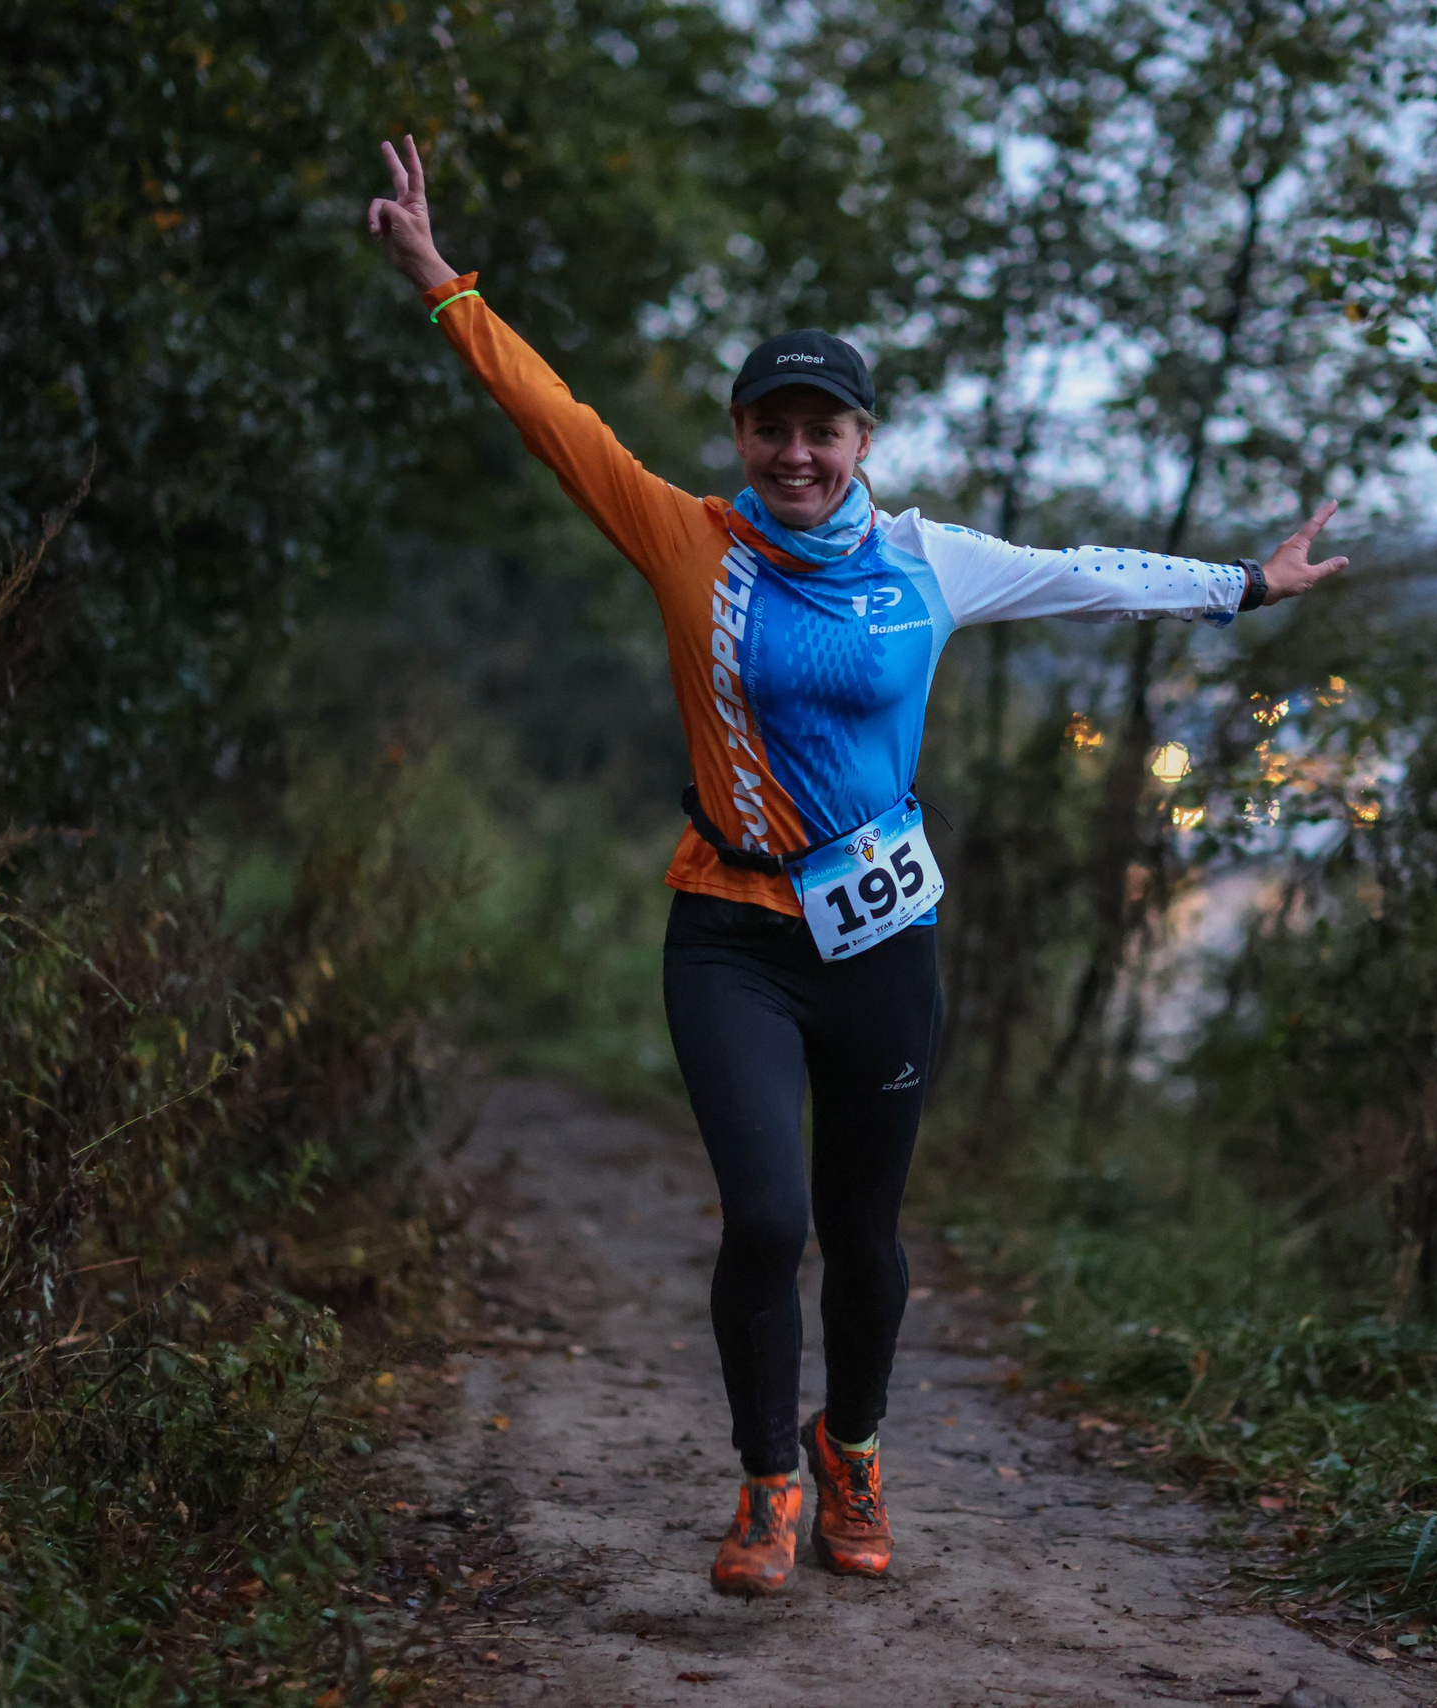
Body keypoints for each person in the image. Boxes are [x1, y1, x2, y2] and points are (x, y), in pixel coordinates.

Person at [366, 135, 1348, 1598]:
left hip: (882, 940)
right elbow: (555, 419)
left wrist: (1242, 588)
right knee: (767, 1218)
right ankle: (766, 1483)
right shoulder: (690, 543)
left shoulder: (928, 563)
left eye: (826, 431)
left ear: (865, 443)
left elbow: (1088, 570)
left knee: (864, 1232)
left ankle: (853, 1450)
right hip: (729, 932)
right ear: (742, 434)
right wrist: (444, 282)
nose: (800, 455)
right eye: (775, 429)